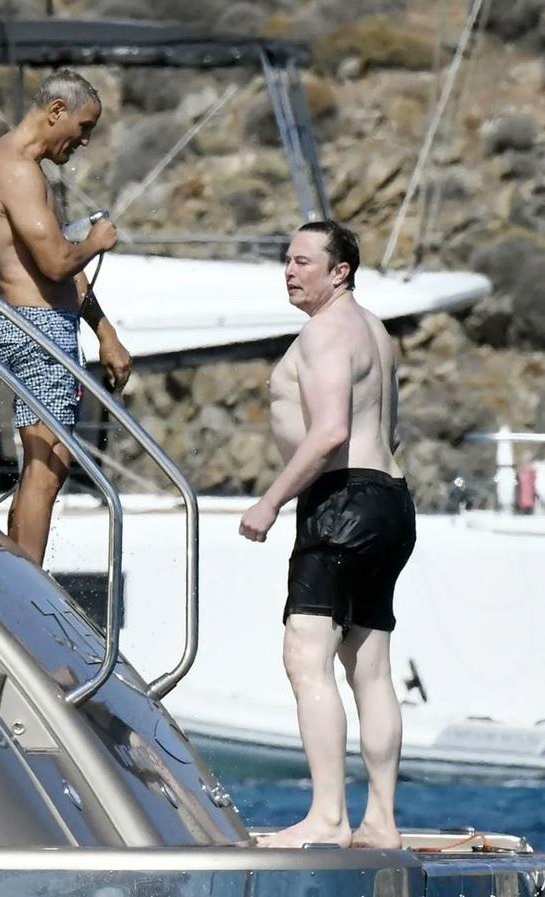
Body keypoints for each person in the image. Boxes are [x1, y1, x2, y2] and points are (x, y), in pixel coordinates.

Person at [239, 220, 416, 849]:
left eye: (304, 262)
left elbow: (330, 431)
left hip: (342, 500)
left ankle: (328, 818)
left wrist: (270, 502)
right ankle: (381, 822)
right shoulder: (376, 331)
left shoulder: (324, 332)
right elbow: (388, 431)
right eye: (287, 260)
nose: (290, 271)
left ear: (340, 271)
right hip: (389, 500)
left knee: (305, 654)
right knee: (369, 665)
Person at [0, 70, 131, 566]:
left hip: (45, 326)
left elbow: (60, 265)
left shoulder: (24, 168)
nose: (84, 140)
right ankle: (23, 586)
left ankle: (16, 573)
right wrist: (96, 242)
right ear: (56, 111)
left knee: (44, 466)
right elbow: (58, 263)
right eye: (84, 127)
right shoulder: (17, 171)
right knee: (46, 467)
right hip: (38, 329)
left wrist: (104, 332)